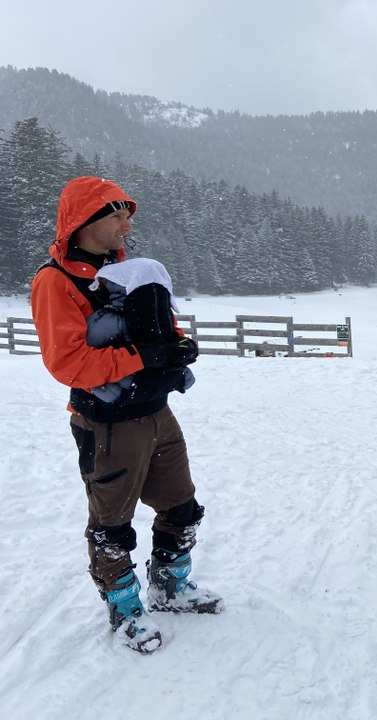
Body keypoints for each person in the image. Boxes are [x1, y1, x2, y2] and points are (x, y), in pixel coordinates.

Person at [31, 176, 222, 655]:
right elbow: (68, 363)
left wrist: (176, 346)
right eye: (116, 215)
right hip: (107, 425)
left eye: (127, 214)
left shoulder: (127, 269)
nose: (127, 225)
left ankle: (170, 587)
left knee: (182, 507)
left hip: (157, 413)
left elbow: (156, 326)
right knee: (112, 526)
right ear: (83, 221)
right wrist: (144, 357)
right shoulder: (56, 282)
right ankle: (124, 608)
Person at [84, 257, 196, 403]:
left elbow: (89, 341)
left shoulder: (112, 318)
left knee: (104, 387)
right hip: (163, 383)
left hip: (129, 387)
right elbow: (175, 338)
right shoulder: (160, 310)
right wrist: (185, 347)